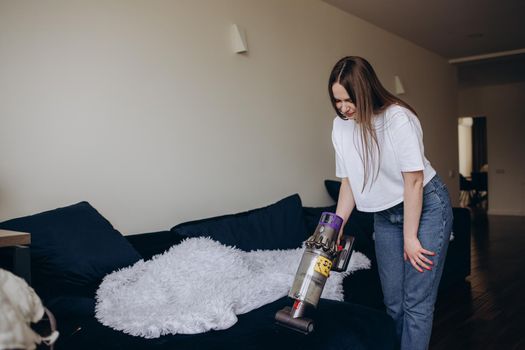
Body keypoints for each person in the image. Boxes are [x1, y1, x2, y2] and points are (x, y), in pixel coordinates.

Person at [328, 56, 453, 350]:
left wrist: (411, 237)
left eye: (349, 99)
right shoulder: (340, 127)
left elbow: (414, 181)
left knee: (416, 303)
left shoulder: (398, 118)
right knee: (394, 302)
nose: (343, 107)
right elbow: (349, 182)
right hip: (385, 216)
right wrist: (336, 227)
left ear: (366, 91)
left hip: (426, 208)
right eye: (337, 101)